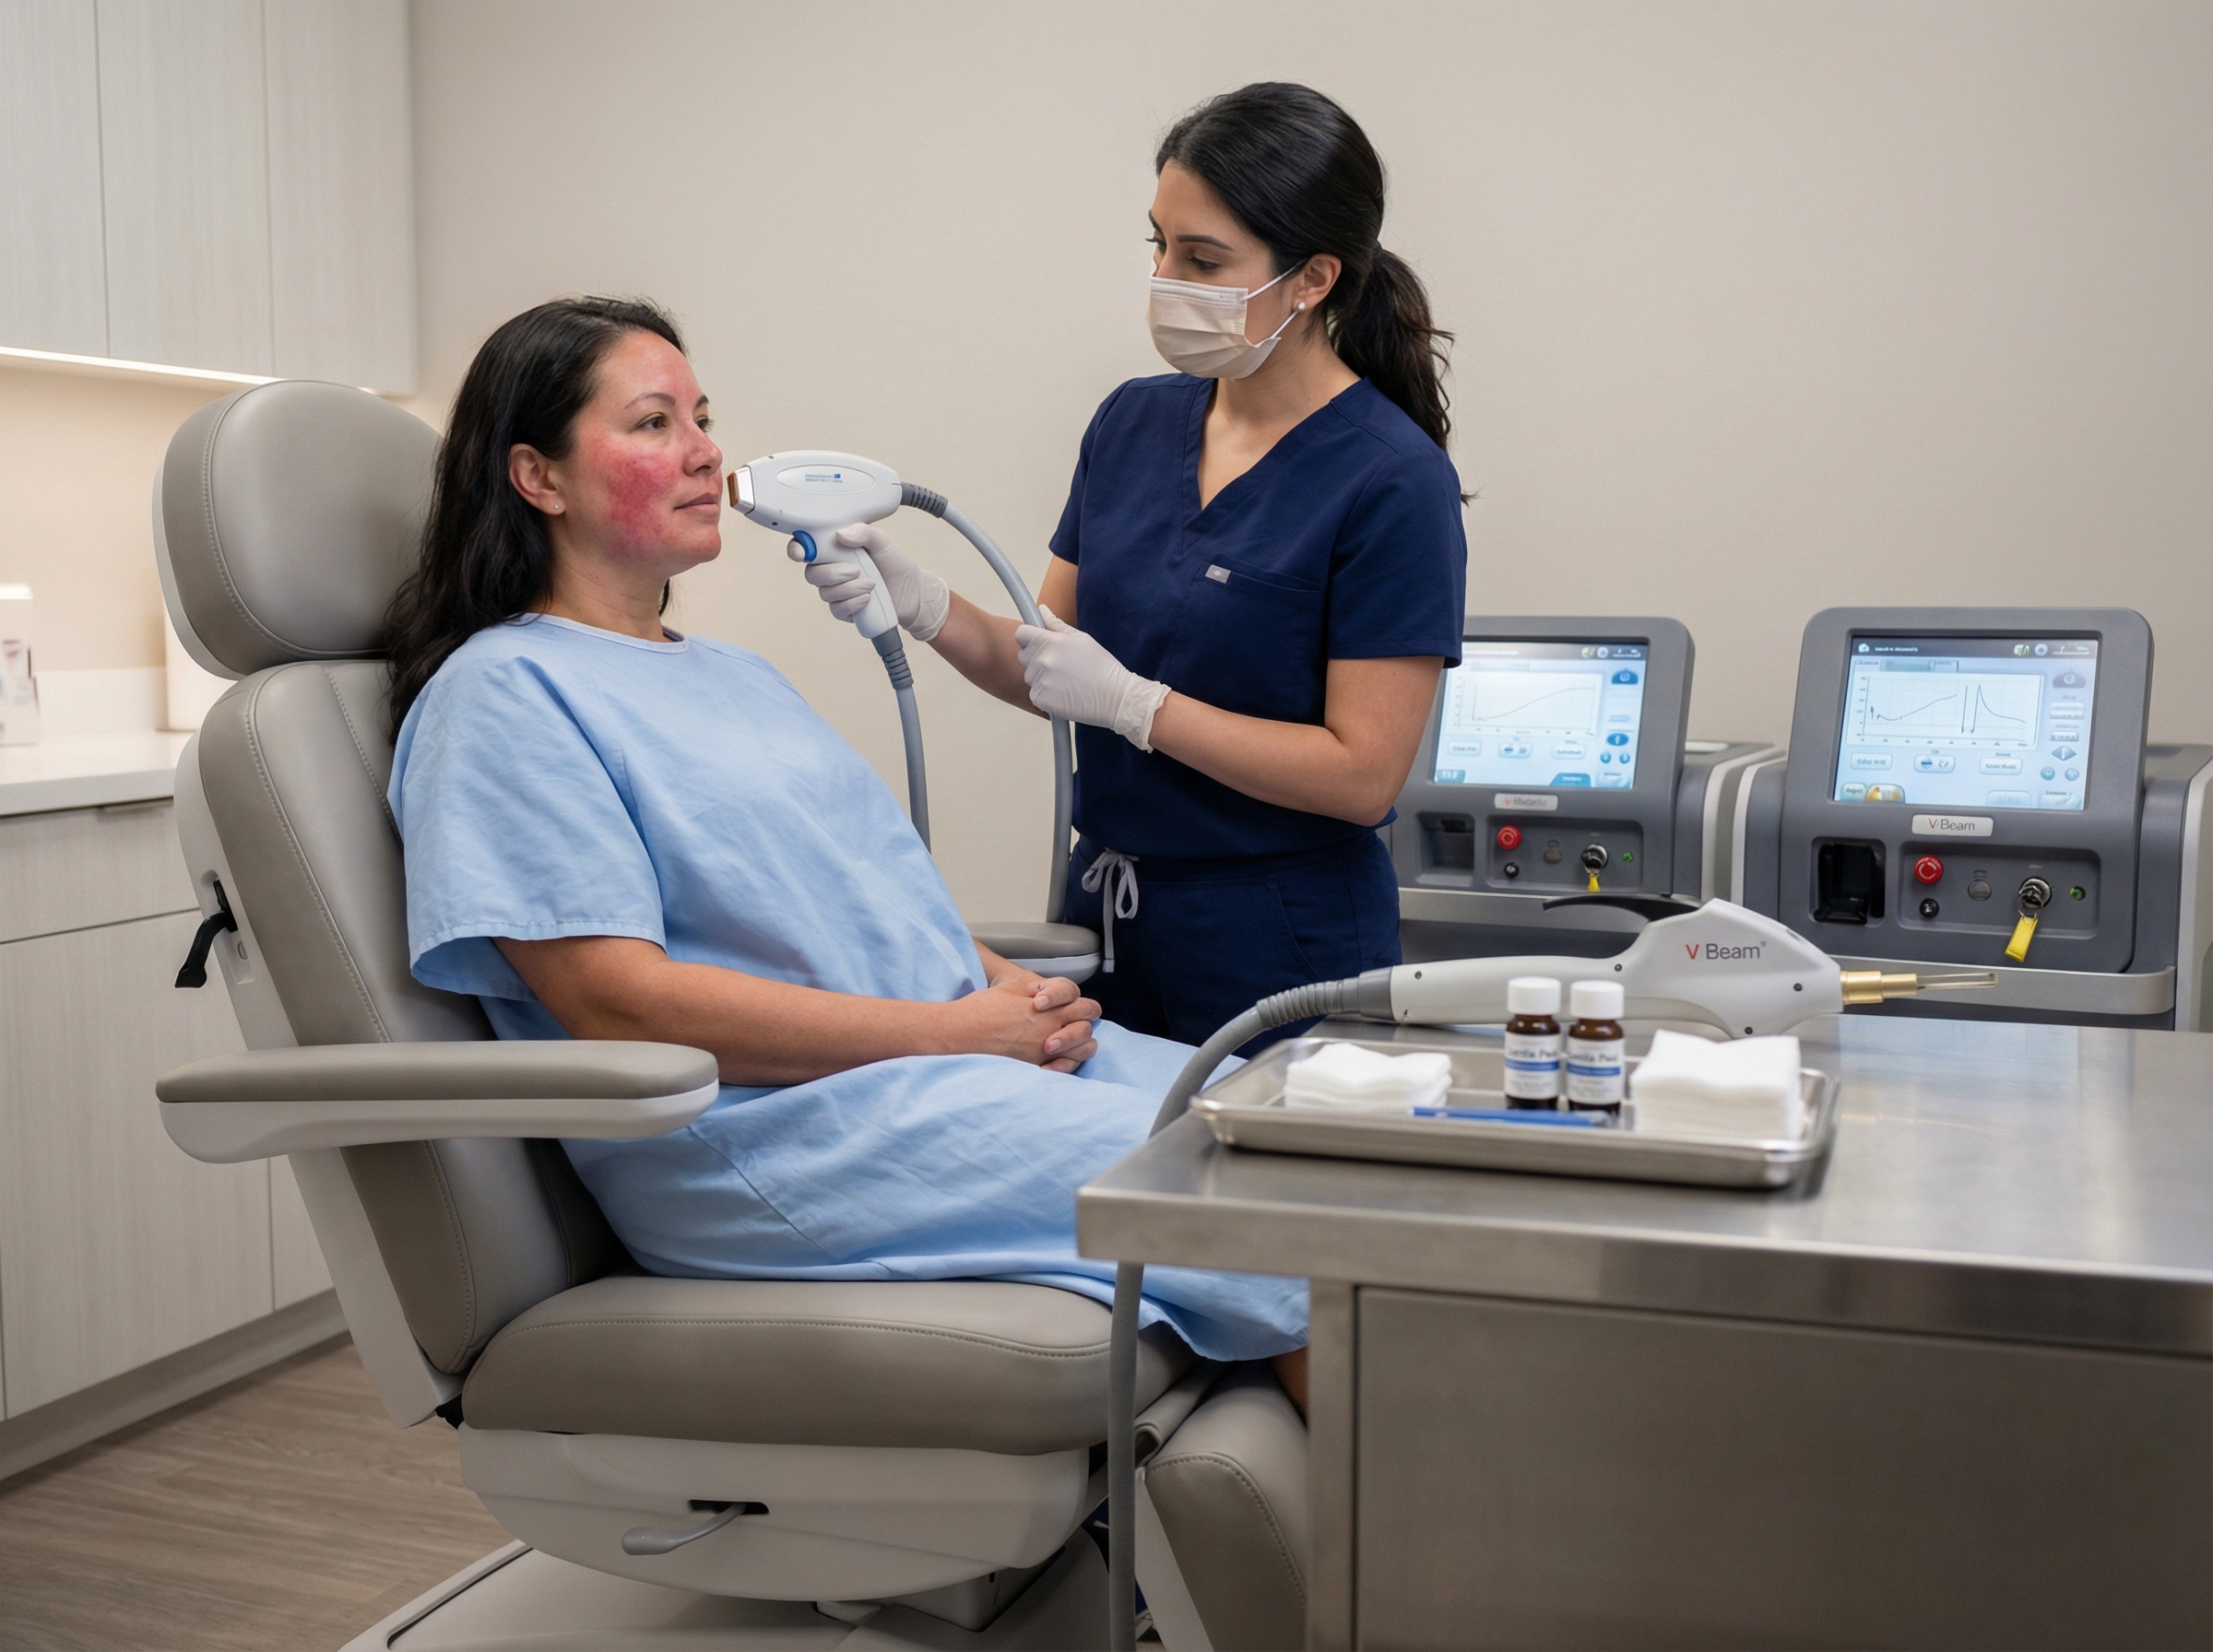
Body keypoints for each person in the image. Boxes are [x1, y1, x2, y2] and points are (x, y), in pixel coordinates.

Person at [380, 296, 1307, 1396]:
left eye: (703, 415)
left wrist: (1007, 990)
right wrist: (952, 1031)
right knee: (1275, 1209)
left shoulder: (728, 673)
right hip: (780, 1132)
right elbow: (616, 1003)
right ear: (538, 477)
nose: (705, 449)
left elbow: (843, 900)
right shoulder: (501, 694)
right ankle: (1367, 1559)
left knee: (1298, 1127)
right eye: (652, 423)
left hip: (923, 1067)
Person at [794, 83, 1468, 1049]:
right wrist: (924, 602)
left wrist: (1138, 708)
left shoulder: (1392, 480)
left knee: (1246, 1192)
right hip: (1107, 916)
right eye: (1158, 244)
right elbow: (1051, 664)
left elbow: (1362, 775)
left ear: (1313, 278)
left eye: (1201, 258)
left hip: (1278, 931)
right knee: (1103, 1186)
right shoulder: (1133, 422)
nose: (1166, 277)